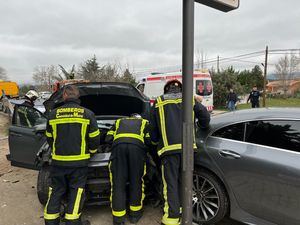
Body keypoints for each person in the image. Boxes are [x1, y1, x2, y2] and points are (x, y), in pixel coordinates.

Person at [150, 80, 210, 225]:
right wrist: (202, 126)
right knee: (185, 181)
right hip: (188, 150)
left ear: (166, 90)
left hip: (168, 151)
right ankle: (184, 211)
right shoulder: (189, 99)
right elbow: (205, 117)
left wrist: (154, 144)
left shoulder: (158, 101)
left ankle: (171, 218)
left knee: (170, 184)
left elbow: (152, 131)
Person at [44, 85, 100, 225]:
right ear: (78, 97)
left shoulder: (53, 114)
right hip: (79, 164)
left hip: (58, 163)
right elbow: (94, 139)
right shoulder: (88, 114)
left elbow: (49, 138)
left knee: (55, 191)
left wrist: (58, 151)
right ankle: (72, 221)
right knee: (76, 192)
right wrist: (92, 152)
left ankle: (51, 221)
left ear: (64, 96)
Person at [105, 113, 151, 225]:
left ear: (129, 117)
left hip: (118, 149)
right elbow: (149, 140)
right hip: (136, 150)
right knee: (136, 182)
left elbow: (108, 138)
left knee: (118, 184)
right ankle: (135, 216)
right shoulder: (144, 122)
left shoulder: (119, 121)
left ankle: (118, 219)